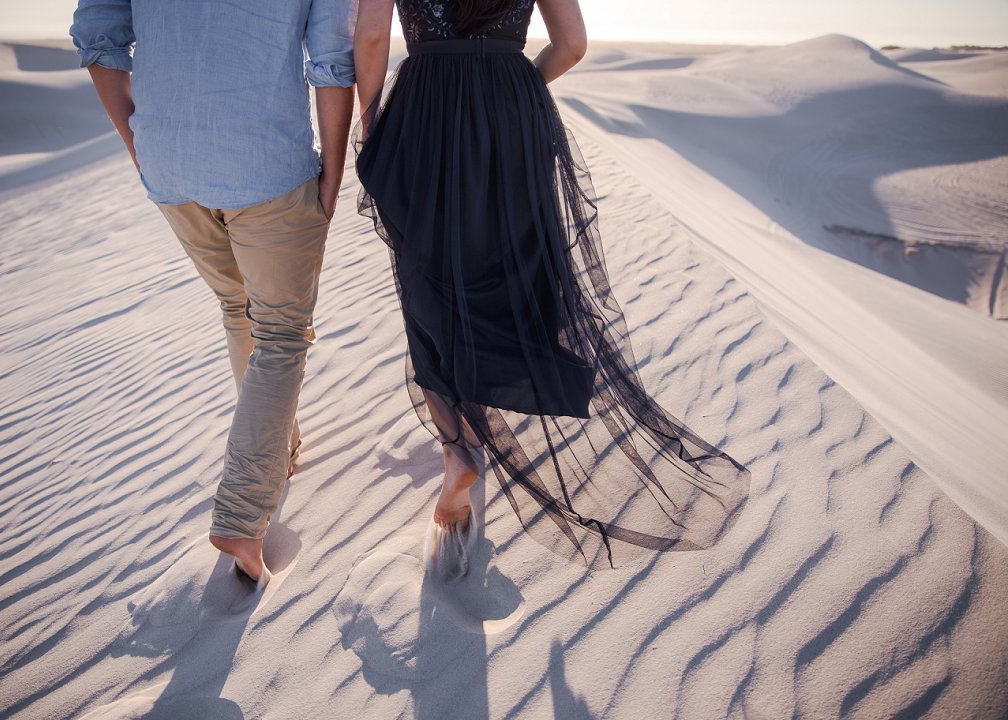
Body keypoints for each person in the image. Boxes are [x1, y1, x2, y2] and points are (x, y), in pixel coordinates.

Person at [353, 0, 750, 568]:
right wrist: (512, 87)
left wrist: (372, 119)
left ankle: (457, 446)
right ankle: (487, 399)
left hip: (426, 107)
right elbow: (572, 45)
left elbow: (370, 39)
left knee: (428, 274)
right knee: (507, 262)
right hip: (513, 109)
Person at [70, 0, 357, 586]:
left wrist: (139, 141)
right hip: (268, 165)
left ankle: (280, 451)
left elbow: (98, 38)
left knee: (238, 306)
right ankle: (242, 517)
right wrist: (334, 166)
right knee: (280, 332)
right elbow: (331, 59)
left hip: (170, 166)